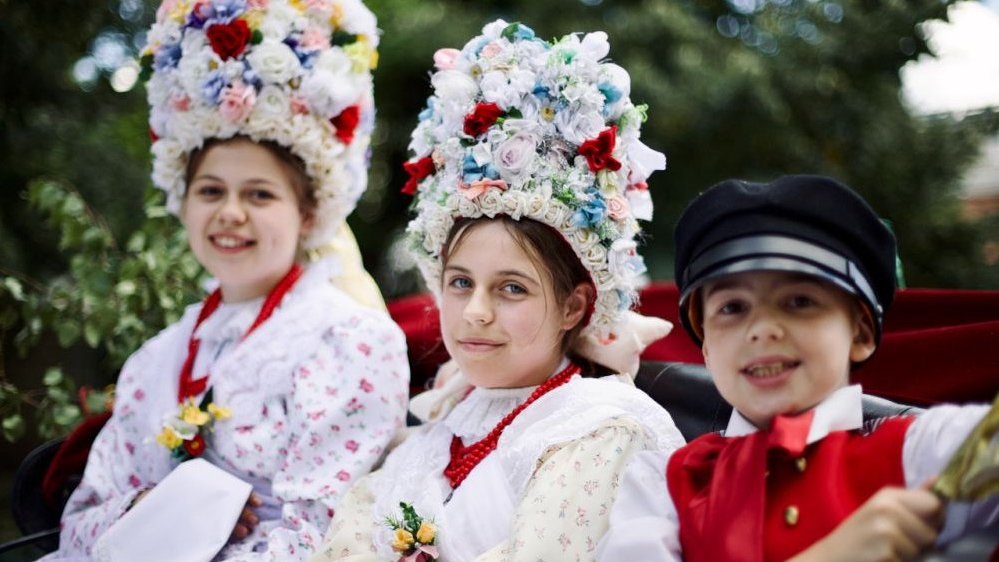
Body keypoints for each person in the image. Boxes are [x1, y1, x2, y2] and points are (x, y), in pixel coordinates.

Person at [41, 1, 410, 560]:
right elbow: (79, 522)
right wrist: (157, 512)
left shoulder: (352, 342)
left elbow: (325, 534)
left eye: (259, 195)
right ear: (182, 204)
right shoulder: (154, 360)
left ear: (308, 215)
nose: (230, 214)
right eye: (211, 191)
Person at [308, 19, 685, 562]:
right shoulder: (440, 429)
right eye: (460, 283)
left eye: (512, 289)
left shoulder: (598, 426)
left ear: (574, 305)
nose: (475, 313)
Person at [597, 175, 999, 561]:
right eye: (732, 308)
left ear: (860, 332)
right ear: (705, 346)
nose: (763, 330)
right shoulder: (660, 484)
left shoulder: (923, 449)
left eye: (799, 302)